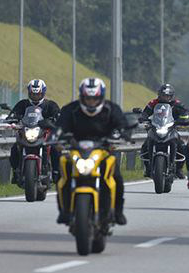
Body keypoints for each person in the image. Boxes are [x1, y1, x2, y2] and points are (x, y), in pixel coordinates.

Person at [55, 77, 132, 225]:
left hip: (103, 150)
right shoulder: (71, 109)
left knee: (116, 176)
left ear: (101, 97)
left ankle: (117, 211)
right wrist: (55, 138)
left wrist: (124, 133)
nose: (91, 102)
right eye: (87, 98)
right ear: (82, 97)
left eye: (94, 98)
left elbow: (122, 124)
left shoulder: (111, 109)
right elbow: (59, 127)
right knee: (62, 170)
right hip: (76, 149)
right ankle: (64, 211)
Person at [6, 79, 60, 183]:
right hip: (27, 131)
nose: (35, 97)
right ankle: (16, 172)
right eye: (33, 94)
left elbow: (58, 114)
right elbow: (14, 113)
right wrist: (11, 118)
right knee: (14, 149)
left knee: (55, 148)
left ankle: (56, 172)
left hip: (44, 133)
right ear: (29, 93)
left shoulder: (50, 105)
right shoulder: (23, 104)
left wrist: (55, 119)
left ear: (43, 93)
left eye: (38, 94)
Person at [139, 83, 189, 179]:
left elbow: (185, 112)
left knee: (182, 146)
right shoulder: (153, 103)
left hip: (171, 128)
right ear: (159, 95)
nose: (165, 97)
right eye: (163, 95)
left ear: (171, 96)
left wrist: (183, 119)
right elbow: (145, 112)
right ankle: (148, 167)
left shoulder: (177, 104)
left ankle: (179, 169)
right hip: (156, 127)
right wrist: (142, 117)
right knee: (145, 146)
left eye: (167, 96)